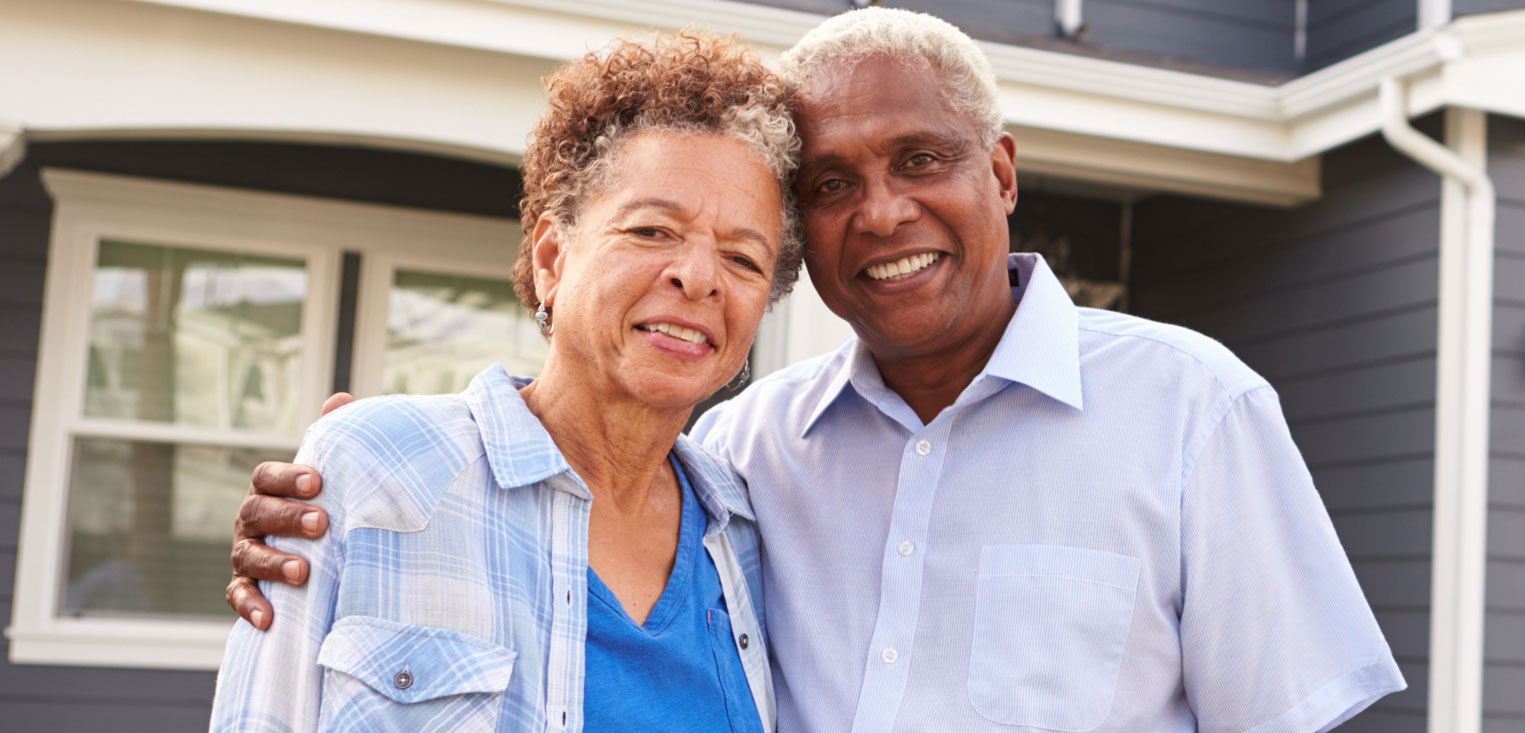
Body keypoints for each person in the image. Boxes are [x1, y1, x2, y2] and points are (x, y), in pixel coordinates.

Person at [228, 8, 1408, 731]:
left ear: (997, 173)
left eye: (920, 159)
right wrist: (351, 465)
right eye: (831, 186)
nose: (881, 212)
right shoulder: (744, 467)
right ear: (551, 255)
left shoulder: (1191, 409)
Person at [210, 30, 801, 732]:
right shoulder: (378, 471)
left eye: (742, 258)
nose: (698, 276)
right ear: (552, 257)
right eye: (650, 231)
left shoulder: (745, 534)